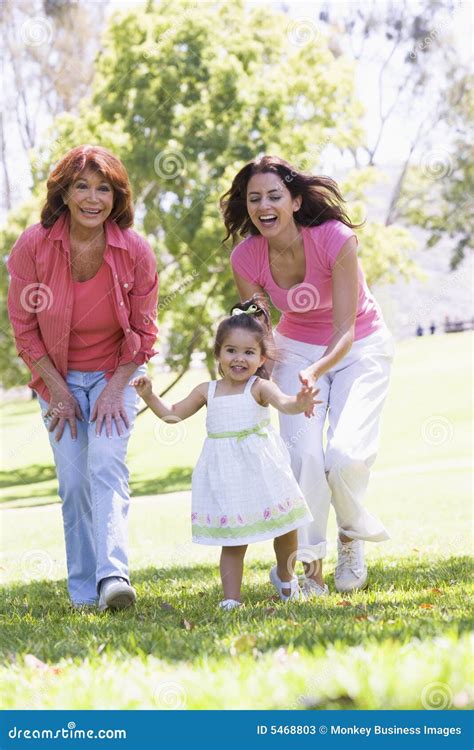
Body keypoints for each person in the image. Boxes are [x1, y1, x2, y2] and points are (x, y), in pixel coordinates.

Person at [221, 155, 395, 595]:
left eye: (274, 195)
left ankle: (351, 535)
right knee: (304, 458)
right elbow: (259, 325)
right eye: (254, 198)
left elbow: (346, 329)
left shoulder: (335, 240)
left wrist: (317, 371)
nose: (264, 205)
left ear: (295, 201)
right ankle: (311, 567)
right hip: (295, 346)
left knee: (346, 454)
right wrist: (243, 363)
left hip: (360, 346)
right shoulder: (246, 257)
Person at [7, 145, 159, 611]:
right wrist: (58, 390)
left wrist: (115, 388)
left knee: (105, 467)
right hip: (57, 377)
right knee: (73, 482)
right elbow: (24, 329)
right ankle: (82, 591)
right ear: (65, 194)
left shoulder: (133, 250)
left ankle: (112, 577)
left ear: (117, 197)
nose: (93, 198)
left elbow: (145, 331)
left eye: (104, 189)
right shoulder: (34, 245)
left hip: (118, 371)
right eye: (82, 187)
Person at [130, 299, 320, 609]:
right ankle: (232, 599)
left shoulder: (259, 387)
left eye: (249, 352)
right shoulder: (208, 391)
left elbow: (285, 403)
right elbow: (173, 415)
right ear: (218, 354)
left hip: (264, 472)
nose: (239, 358)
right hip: (227, 475)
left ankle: (286, 580)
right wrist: (150, 395)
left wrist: (300, 402)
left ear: (261, 359)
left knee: (285, 527)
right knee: (233, 539)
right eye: (231, 350)